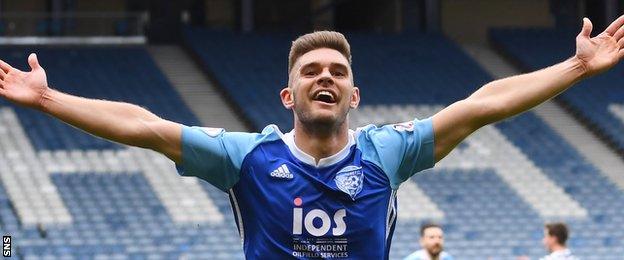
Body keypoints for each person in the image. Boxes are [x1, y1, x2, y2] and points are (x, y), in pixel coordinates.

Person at [0, 15, 622, 258]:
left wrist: (575, 67)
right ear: (287, 96)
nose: (325, 76)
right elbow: (148, 127)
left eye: (338, 72)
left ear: (354, 96)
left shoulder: (388, 150)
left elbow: (480, 105)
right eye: (310, 71)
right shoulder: (247, 158)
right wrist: (49, 98)